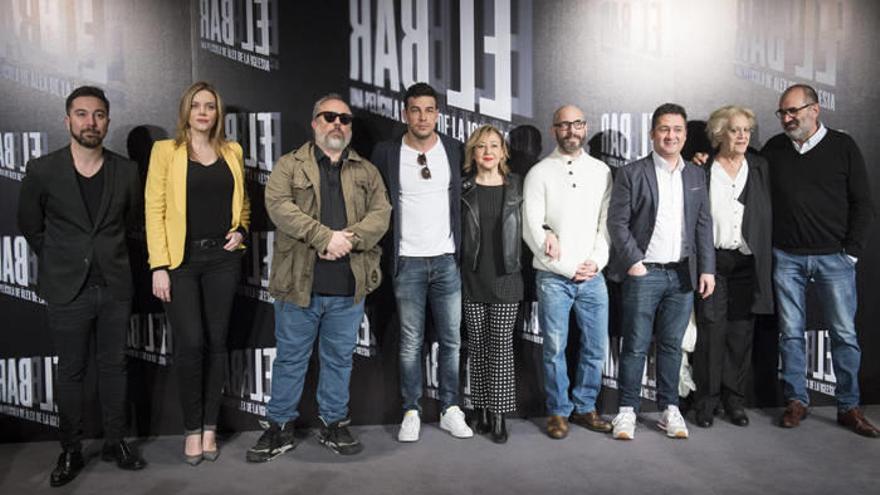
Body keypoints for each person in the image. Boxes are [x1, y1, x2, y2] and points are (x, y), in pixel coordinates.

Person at [246, 94, 391, 462]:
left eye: (344, 118)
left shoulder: (366, 171)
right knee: (290, 360)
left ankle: (333, 423)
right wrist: (324, 237)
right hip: (299, 285)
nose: (337, 123)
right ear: (315, 123)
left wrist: (349, 240)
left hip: (348, 285)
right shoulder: (289, 165)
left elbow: (382, 213)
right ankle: (279, 427)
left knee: (339, 360)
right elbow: (279, 206)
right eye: (329, 117)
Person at [18, 86, 147, 487]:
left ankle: (115, 441)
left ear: (107, 121)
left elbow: (133, 221)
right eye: (82, 114)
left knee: (114, 367)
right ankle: (71, 449)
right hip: (67, 289)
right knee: (71, 371)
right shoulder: (43, 169)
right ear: (67, 120)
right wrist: (62, 259)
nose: (91, 122)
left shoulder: (127, 171)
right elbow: (30, 225)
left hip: (115, 286)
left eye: (98, 115)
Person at [145, 81, 251, 464]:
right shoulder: (165, 151)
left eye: (209, 106)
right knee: (191, 343)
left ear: (217, 112)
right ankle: (191, 428)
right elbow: (154, 209)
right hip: (181, 263)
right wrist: (159, 265)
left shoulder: (233, 151)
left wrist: (241, 230)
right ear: (186, 112)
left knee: (217, 343)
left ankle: (210, 427)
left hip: (223, 261)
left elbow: (243, 203)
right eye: (196, 105)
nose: (203, 112)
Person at [764, 84, 877, 437]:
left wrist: (851, 253)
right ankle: (796, 401)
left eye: (793, 111)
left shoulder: (843, 146)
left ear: (815, 109)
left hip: (834, 259)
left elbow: (863, 203)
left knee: (843, 334)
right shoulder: (774, 148)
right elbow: (743, 170)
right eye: (782, 112)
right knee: (790, 334)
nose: (787, 118)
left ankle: (848, 406)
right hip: (787, 258)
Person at [370, 82, 473, 442]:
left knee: (451, 341)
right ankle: (411, 410)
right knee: (411, 341)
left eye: (429, 110)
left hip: (446, 260)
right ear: (405, 114)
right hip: (407, 262)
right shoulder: (386, 152)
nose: (423, 117)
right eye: (416, 110)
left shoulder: (454, 149)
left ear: (438, 114)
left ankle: (450, 409)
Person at [606, 103, 715, 441]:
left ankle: (670, 408)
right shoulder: (631, 173)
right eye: (664, 129)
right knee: (635, 345)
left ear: (685, 134)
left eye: (677, 129)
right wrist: (634, 263)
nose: (671, 135)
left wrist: (707, 269)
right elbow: (617, 223)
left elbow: (703, 224)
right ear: (652, 133)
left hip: (682, 274)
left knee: (671, 345)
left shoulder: (695, 174)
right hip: (645, 273)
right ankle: (627, 410)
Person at [522, 105, 613, 439]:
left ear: (585, 127)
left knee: (595, 347)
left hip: (593, 276)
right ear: (554, 130)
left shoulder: (602, 171)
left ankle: (585, 407)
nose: (571, 131)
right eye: (564, 125)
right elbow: (532, 229)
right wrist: (567, 268)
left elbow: (607, 224)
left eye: (577, 124)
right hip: (553, 278)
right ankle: (558, 411)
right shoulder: (539, 173)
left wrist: (596, 262)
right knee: (554, 349)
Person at [691, 105, 773, 428]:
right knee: (711, 332)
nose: (742, 136)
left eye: (746, 130)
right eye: (735, 130)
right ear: (719, 133)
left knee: (740, 333)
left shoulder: (760, 166)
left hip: (747, 263)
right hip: (713, 262)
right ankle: (706, 402)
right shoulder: (703, 168)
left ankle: (734, 401)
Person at [460, 125, 524, 443]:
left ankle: (499, 416)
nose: (488, 151)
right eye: (481, 146)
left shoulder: (516, 186)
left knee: (500, 348)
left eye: (494, 145)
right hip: (472, 278)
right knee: (478, 348)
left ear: (503, 152)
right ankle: (481, 410)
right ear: (473, 153)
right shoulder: (463, 188)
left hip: (506, 279)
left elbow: (534, 221)